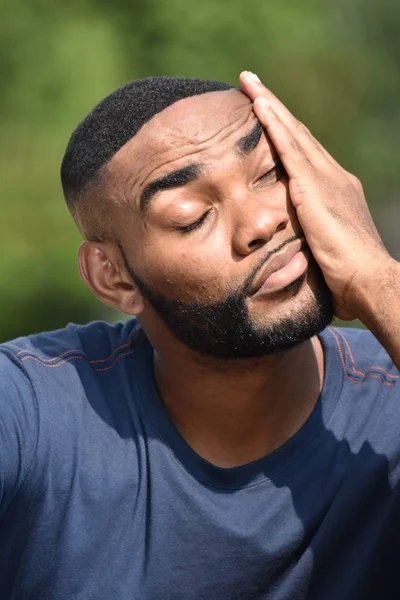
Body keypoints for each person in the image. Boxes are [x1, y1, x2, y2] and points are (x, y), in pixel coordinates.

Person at [1, 71, 399, 600]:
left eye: (271, 173)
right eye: (191, 217)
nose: (262, 221)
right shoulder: (34, 408)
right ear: (113, 277)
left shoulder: (389, 399)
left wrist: (379, 280)